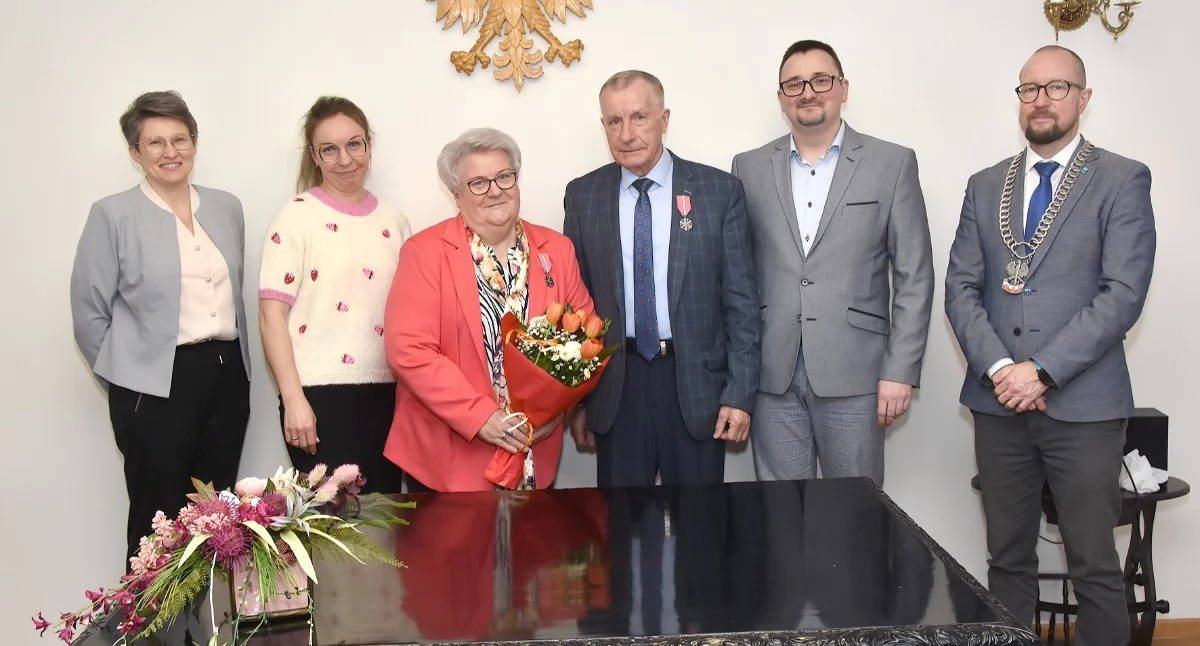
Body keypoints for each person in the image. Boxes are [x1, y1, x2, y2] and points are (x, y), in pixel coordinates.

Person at [945, 45, 1155, 645]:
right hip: (998, 406)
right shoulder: (985, 185)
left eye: (1056, 87)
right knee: (1007, 561)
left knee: (1093, 566)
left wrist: (1041, 370)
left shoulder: (1121, 178)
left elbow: (1123, 294)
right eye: (1029, 89)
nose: (1041, 100)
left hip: (1084, 409)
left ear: (1083, 98)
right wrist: (1001, 369)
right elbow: (960, 288)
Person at [730, 40, 934, 485]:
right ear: (781, 98)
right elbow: (737, 277)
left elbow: (914, 275)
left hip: (857, 374)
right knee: (781, 518)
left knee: (855, 517)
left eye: (820, 80)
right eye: (794, 84)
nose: (808, 92)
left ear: (843, 88)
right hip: (772, 374)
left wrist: (900, 370)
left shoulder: (892, 163)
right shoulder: (747, 168)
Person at [70, 90, 252, 564]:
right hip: (153, 387)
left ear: (195, 142)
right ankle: (149, 634)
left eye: (179, 139)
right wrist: (126, 380)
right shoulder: (112, 214)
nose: (170, 152)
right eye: (155, 143)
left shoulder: (227, 206)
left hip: (226, 376)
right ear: (135, 152)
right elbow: (89, 313)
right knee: (158, 521)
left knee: (218, 518)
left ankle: (208, 632)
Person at [563, 70, 760, 487]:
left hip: (695, 386)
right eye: (614, 121)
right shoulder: (583, 195)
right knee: (618, 531)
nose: (627, 133)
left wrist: (739, 394)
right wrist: (576, 399)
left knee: (700, 528)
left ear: (664, 119)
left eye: (639, 117)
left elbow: (741, 303)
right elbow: (573, 308)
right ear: (604, 127)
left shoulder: (718, 191)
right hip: (617, 387)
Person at [384, 127, 595, 492]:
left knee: (533, 550)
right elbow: (409, 350)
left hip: (534, 448)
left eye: (503, 177)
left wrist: (555, 412)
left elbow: (585, 336)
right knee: (448, 551)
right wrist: (484, 418)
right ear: (456, 195)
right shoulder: (425, 252)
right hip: (447, 456)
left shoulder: (556, 250)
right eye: (478, 183)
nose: (495, 190)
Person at [258, 96, 411, 494]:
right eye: (330, 149)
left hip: (388, 397)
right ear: (315, 155)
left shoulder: (394, 221)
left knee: (387, 528)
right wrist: (293, 400)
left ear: (369, 145)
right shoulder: (295, 216)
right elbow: (270, 316)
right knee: (333, 533)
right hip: (318, 399)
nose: (345, 159)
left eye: (354, 144)